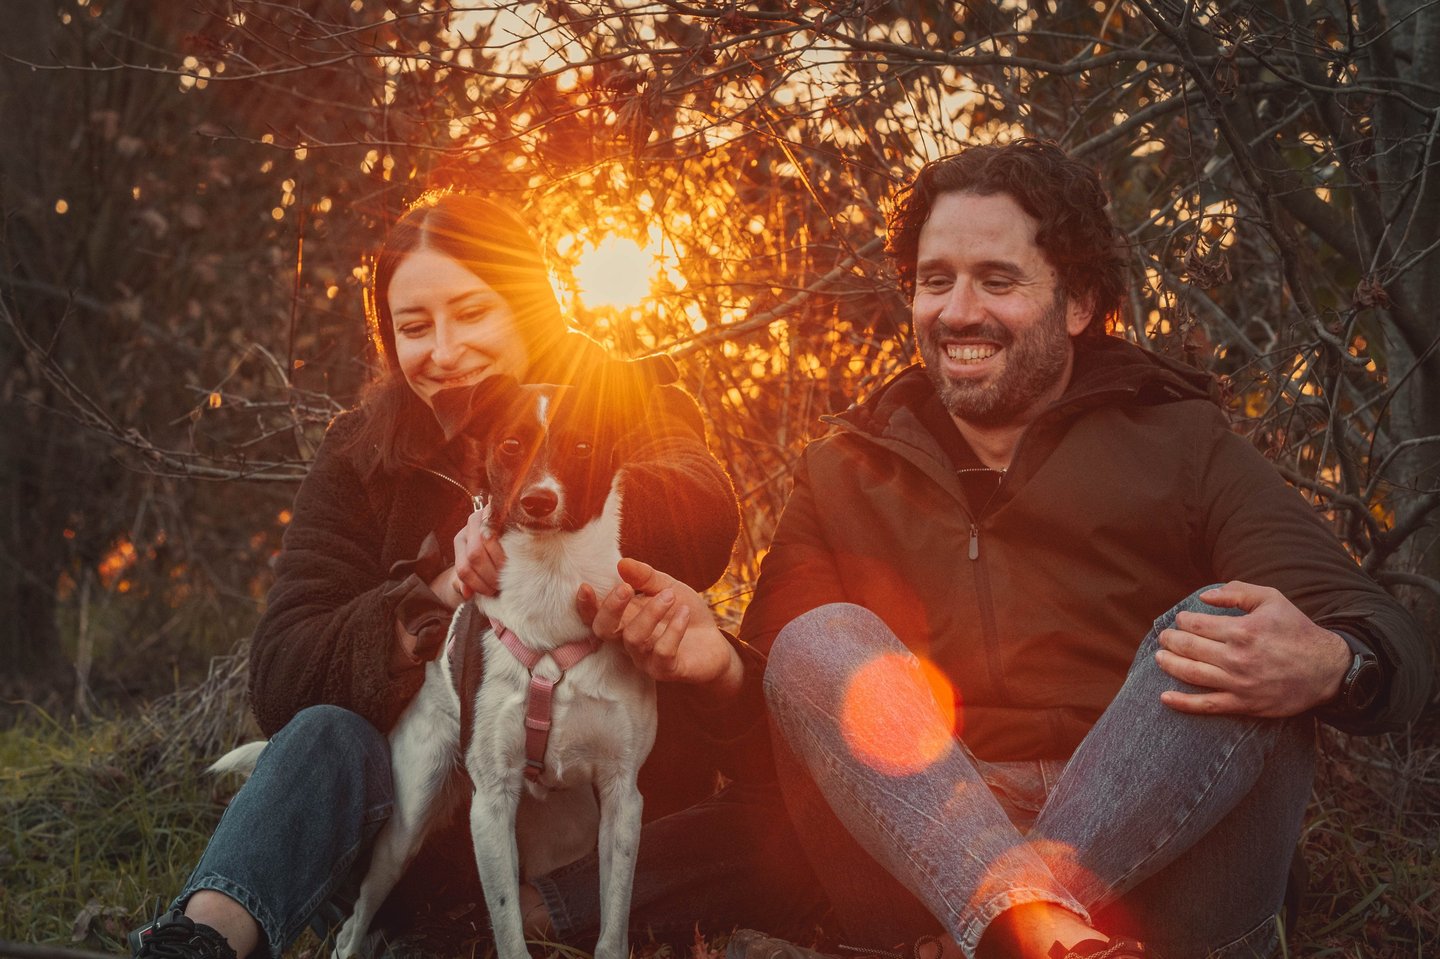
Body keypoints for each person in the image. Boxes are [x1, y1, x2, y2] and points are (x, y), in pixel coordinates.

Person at [583, 140, 1432, 959]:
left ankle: (1011, 930)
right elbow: (784, 753)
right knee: (816, 641)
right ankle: (1034, 930)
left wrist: (1334, 663)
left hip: (1170, 879)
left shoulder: (1184, 443)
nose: (958, 312)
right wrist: (720, 668)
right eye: (935, 281)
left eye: (997, 280)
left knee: (1230, 629)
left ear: (1078, 301)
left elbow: (1381, 631)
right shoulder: (841, 472)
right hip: (924, 860)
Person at [129, 192, 817, 959]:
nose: (445, 350)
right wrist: (430, 594)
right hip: (426, 813)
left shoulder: (619, 395)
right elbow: (284, 673)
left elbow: (702, 509)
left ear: (528, 307)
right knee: (323, 732)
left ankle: (514, 920)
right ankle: (205, 933)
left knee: (773, 827)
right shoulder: (361, 455)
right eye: (414, 327)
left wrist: (539, 497)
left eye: (471, 313)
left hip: (613, 816)